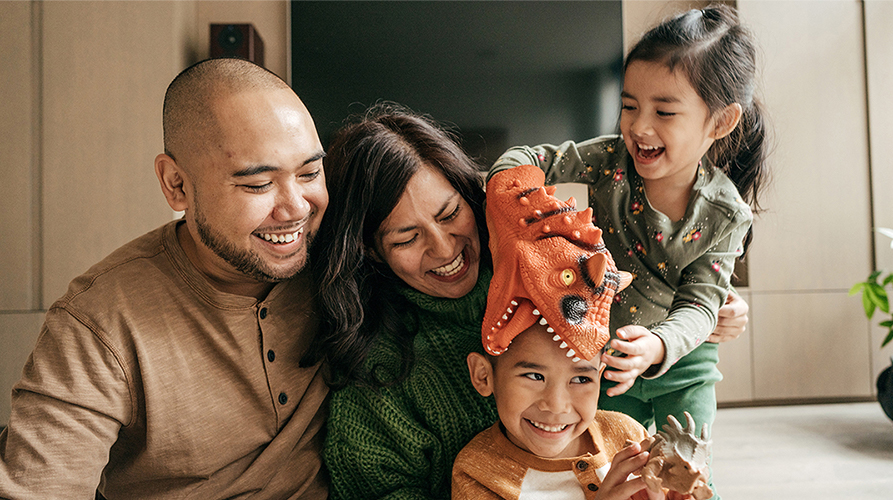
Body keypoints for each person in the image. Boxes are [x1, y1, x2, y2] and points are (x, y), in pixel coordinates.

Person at [307, 103, 749, 499]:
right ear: (368, 248)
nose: (444, 249)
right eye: (407, 237)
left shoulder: (546, 270)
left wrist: (704, 311)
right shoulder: (378, 377)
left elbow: (635, 285)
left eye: (450, 214)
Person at [0, 58, 329, 499]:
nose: (297, 208)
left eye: (309, 173)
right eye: (257, 185)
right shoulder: (99, 322)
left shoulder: (339, 259)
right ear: (176, 184)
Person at [490, 5, 770, 498]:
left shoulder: (726, 213)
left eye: (664, 111)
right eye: (629, 105)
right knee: (614, 473)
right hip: (599, 364)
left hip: (682, 367)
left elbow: (702, 304)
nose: (639, 126)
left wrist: (660, 346)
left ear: (720, 122)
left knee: (685, 478)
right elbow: (526, 159)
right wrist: (511, 197)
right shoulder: (602, 163)